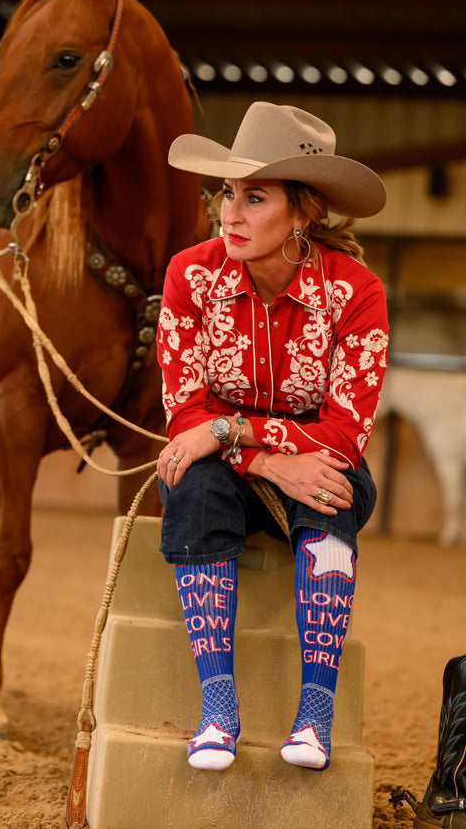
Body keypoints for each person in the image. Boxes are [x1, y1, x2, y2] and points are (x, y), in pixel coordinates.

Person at [155, 101, 389, 773]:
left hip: (306, 465)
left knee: (329, 487)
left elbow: (344, 435)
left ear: (304, 212)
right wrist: (262, 458)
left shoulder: (357, 292)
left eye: (254, 197)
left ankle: (315, 715)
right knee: (192, 482)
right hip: (224, 471)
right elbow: (184, 412)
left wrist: (239, 435)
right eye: (226, 193)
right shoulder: (188, 277)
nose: (229, 213)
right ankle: (218, 712)